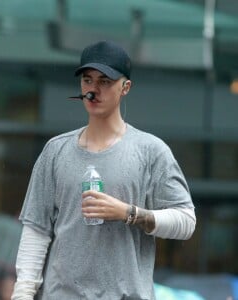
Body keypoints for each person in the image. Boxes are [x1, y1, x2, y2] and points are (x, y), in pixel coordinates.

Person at [11, 40, 196, 300]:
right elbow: (36, 231)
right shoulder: (55, 151)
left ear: (125, 87)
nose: (93, 90)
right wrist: (22, 295)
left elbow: (186, 222)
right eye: (87, 80)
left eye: (105, 81)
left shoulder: (151, 151)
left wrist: (128, 213)